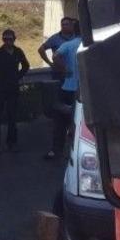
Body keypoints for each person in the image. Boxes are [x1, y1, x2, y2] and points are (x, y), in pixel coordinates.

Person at [0, 29, 31, 151]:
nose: (8, 41)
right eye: (5, 39)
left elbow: (26, 65)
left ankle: (12, 142)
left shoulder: (18, 51)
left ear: (14, 39)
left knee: (12, 117)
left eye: (10, 39)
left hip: (13, 89)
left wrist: (18, 76)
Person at [46, 21, 82, 160]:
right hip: (85, 91)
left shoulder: (69, 44)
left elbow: (55, 56)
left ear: (74, 30)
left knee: (60, 122)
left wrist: (64, 68)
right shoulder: (91, 45)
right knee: (81, 122)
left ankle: (56, 150)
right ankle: (79, 151)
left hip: (68, 87)